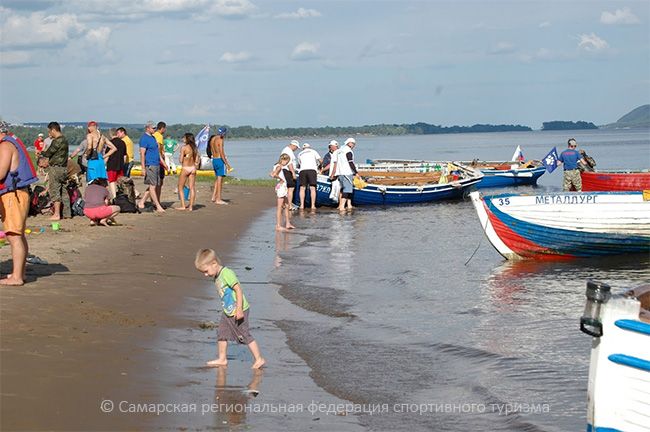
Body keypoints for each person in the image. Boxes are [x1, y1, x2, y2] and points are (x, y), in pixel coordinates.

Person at [194, 248, 266, 369]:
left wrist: (239, 310)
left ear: (214, 264)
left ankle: (259, 359)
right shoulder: (217, 275)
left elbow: (238, 290)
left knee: (244, 334)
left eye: (206, 271)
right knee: (222, 333)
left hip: (239, 309)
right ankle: (222, 359)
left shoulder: (226, 273)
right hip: (228, 311)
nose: (206, 275)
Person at [0, 122, 39, 286]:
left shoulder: (5, 146)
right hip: (18, 194)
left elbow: (0, 172)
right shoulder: (10, 142)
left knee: (14, 235)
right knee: (18, 235)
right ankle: (19, 273)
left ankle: (17, 277)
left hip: (13, 195)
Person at [41, 121, 71, 220]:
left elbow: (49, 153)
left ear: (53, 130)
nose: (49, 134)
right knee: (64, 191)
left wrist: (41, 152)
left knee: (55, 191)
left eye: (50, 131)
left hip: (55, 168)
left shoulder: (57, 140)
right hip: (63, 168)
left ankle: (57, 214)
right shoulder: (65, 139)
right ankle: (67, 214)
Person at [137, 121, 166, 212]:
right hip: (150, 165)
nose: (154, 129)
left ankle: (141, 202)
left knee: (153, 185)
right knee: (153, 186)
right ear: (148, 128)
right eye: (153, 128)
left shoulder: (153, 138)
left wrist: (163, 162)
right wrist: (143, 168)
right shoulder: (144, 139)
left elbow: (157, 152)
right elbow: (142, 154)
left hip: (157, 164)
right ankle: (158, 206)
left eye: (155, 128)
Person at [330, 137, 359, 211]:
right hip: (347, 172)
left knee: (344, 189)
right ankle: (342, 207)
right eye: (353, 144)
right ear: (349, 143)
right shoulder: (348, 151)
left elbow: (336, 162)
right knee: (347, 190)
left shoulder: (339, 150)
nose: (353, 146)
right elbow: (350, 162)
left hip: (340, 173)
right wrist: (356, 172)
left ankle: (349, 205)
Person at [270, 154, 295, 231]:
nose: (287, 163)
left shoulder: (276, 165)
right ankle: (278, 225)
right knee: (280, 207)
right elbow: (273, 175)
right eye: (287, 162)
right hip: (281, 187)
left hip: (282, 187)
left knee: (287, 205)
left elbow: (271, 173)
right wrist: (281, 179)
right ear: (284, 160)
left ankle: (288, 223)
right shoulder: (279, 166)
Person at [176, 133, 200, 211]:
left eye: (184, 138)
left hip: (185, 168)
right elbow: (197, 160)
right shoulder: (195, 148)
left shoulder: (184, 148)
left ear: (187, 139)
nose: (183, 139)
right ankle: (191, 207)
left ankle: (183, 205)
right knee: (192, 187)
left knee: (180, 187)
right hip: (193, 168)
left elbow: (180, 160)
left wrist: (183, 156)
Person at [209, 127, 231, 205]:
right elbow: (222, 153)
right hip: (219, 160)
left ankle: (213, 197)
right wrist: (227, 164)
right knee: (220, 180)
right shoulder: (220, 140)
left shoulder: (213, 139)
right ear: (224, 133)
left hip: (214, 160)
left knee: (217, 179)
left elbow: (211, 150)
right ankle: (218, 199)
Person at [297, 143, 321, 210]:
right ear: (309, 147)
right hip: (312, 170)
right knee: (312, 188)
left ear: (303, 148)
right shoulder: (313, 151)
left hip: (303, 171)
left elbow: (300, 164)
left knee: (302, 188)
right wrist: (320, 167)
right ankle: (313, 205)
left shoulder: (300, 154)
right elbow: (320, 160)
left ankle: (302, 205)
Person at [107, 128, 127, 199]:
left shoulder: (110, 143)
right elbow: (125, 155)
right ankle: (131, 192)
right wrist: (123, 164)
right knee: (120, 180)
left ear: (110, 134)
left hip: (112, 164)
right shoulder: (123, 142)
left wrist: (104, 164)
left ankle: (114, 196)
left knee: (111, 180)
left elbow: (108, 155)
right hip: (120, 164)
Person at [280, 140, 299, 209]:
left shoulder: (286, 150)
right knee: (290, 188)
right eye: (296, 148)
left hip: (286, 170)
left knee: (287, 188)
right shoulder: (288, 151)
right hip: (288, 171)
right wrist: (293, 173)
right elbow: (289, 163)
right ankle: (289, 205)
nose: (296, 149)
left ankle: (285, 204)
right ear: (293, 145)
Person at [153, 121, 167, 200]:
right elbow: (158, 148)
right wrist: (163, 160)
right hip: (159, 161)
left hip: (155, 160)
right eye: (165, 129)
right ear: (162, 128)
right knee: (159, 182)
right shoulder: (159, 136)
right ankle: (156, 200)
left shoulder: (154, 135)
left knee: (155, 182)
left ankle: (155, 200)